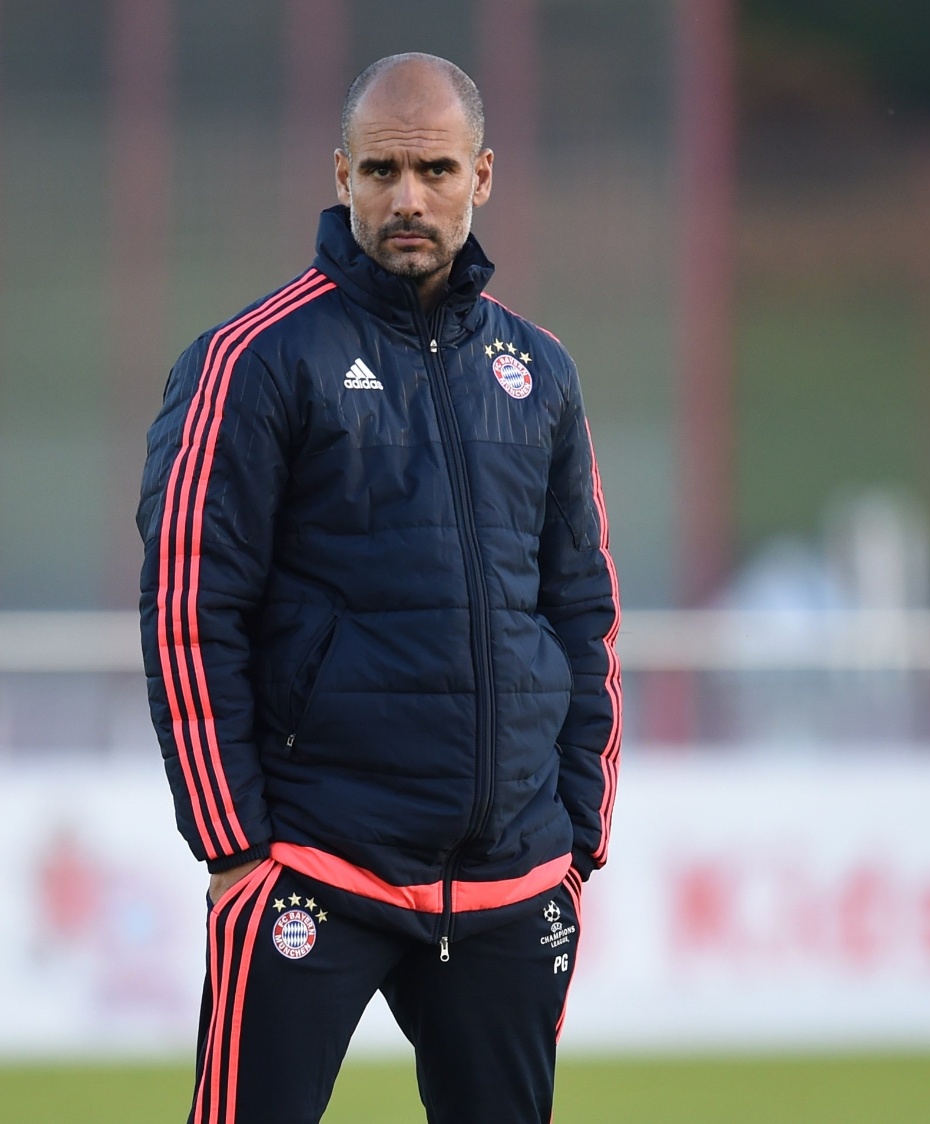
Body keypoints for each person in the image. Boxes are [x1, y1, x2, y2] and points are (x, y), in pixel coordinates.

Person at [138, 53, 621, 1122]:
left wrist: (579, 831)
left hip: (511, 880)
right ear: (342, 174)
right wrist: (234, 842)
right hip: (317, 862)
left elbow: (583, 608)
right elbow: (188, 605)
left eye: (437, 169)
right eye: (385, 169)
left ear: (482, 176)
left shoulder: (539, 371)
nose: (410, 197)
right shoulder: (252, 360)